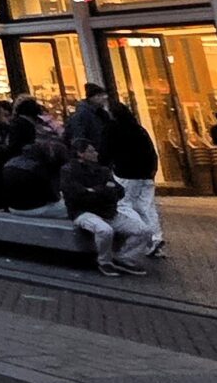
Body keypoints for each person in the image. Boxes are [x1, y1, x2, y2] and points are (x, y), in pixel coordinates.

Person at [62, 138, 151, 275]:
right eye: (91, 151)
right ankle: (104, 262)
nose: (96, 153)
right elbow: (76, 194)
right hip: (84, 212)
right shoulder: (69, 171)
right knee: (104, 230)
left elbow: (119, 191)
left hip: (108, 211)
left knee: (143, 230)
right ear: (81, 153)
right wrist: (104, 190)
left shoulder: (103, 170)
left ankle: (125, 259)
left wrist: (93, 190)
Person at [98, 88, 163, 257]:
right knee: (147, 206)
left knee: (125, 204)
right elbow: (150, 150)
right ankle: (156, 238)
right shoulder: (137, 128)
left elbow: (105, 152)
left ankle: (144, 234)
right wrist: (152, 170)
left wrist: (104, 167)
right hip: (145, 173)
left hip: (126, 172)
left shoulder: (112, 129)